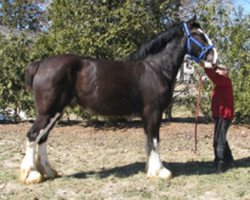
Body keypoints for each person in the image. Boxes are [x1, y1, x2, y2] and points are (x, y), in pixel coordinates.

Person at [200, 61, 235, 173]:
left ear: (225, 72)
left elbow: (214, 77)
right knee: (221, 138)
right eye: (216, 69)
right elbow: (214, 77)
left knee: (219, 140)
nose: (217, 71)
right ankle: (229, 161)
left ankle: (220, 165)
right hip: (220, 115)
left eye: (219, 69)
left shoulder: (225, 81)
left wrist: (207, 67)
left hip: (224, 115)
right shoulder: (221, 83)